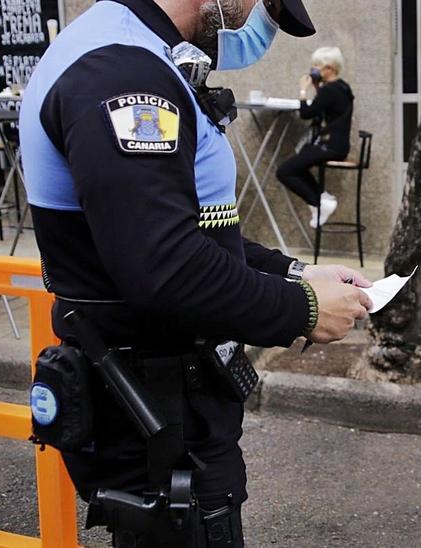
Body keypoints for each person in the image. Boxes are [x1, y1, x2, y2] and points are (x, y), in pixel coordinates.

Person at [19, 0, 372, 545]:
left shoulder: (137, 55)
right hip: (155, 409)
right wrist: (301, 308)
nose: (258, 15)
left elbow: (198, 229)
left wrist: (295, 271)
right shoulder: (123, 71)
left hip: (166, 402)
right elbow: (165, 265)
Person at [276, 46, 354, 228]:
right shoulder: (342, 87)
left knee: (284, 171)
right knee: (299, 164)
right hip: (338, 146)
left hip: (329, 147)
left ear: (330, 68)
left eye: (317, 65)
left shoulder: (329, 91)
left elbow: (307, 113)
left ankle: (318, 202)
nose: (314, 69)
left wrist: (303, 91)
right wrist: (317, 87)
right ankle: (321, 198)